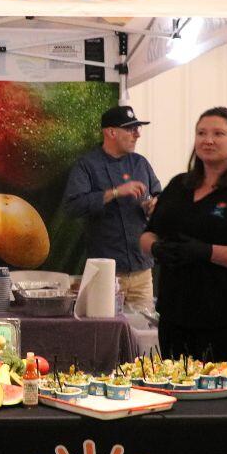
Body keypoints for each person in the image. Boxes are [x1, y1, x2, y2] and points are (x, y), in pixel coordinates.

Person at [140, 107, 227, 364]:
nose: (208, 140)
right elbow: (147, 235)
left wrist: (207, 252)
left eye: (218, 133)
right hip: (174, 319)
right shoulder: (179, 185)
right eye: (201, 133)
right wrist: (156, 248)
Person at [61, 105, 161, 310]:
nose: (137, 135)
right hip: (107, 274)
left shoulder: (140, 163)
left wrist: (154, 205)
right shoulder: (87, 165)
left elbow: (159, 195)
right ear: (111, 132)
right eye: (131, 129)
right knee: (107, 332)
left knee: (143, 333)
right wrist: (115, 192)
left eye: (138, 129)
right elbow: (72, 206)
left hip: (142, 270)